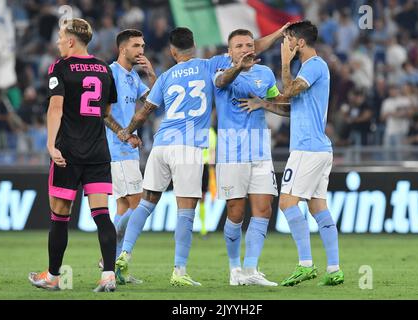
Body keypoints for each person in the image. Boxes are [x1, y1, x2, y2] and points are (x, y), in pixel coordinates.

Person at [114, 24, 290, 286]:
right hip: (187, 146)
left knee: (146, 203)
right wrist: (277, 35)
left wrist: (126, 131)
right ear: (193, 46)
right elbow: (245, 56)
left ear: (172, 51)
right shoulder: (209, 66)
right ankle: (179, 271)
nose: (244, 50)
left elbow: (144, 112)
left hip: (162, 144)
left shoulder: (166, 76)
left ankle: (124, 252)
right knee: (185, 211)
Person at [240, 21, 344, 286]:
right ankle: (334, 269)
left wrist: (285, 63)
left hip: (307, 148)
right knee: (319, 207)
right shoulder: (309, 69)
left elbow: (288, 90)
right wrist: (263, 104)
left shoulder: (314, 66)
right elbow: (291, 106)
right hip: (319, 149)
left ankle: (305, 264)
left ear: (299, 43)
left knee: (287, 202)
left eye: (287, 40)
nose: (283, 44)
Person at [29, 18, 122, 292]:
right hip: (97, 151)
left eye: (60, 37)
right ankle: (108, 275)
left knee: (59, 215)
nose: (57, 42)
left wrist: (50, 144)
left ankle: (53, 276)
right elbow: (106, 112)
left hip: (67, 152)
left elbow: (55, 108)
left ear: (71, 40)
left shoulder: (60, 67)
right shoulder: (104, 68)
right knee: (102, 214)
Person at [213, 29, 282, 286]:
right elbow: (221, 83)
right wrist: (238, 68)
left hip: (261, 152)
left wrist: (264, 104)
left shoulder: (265, 74)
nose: (245, 49)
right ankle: (235, 269)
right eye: (239, 45)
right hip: (232, 153)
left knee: (264, 209)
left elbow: (283, 105)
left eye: (249, 45)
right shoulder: (223, 72)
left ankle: (251, 269)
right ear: (229, 52)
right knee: (235, 212)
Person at [100, 29, 156, 285]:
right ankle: (108, 258)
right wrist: (124, 134)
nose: (141, 50)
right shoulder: (111, 73)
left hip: (128, 150)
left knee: (123, 207)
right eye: (136, 45)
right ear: (123, 49)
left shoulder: (133, 76)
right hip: (116, 150)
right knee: (140, 205)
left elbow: (155, 101)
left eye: (142, 45)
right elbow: (102, 111)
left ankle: (115, 267)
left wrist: (152, 75)